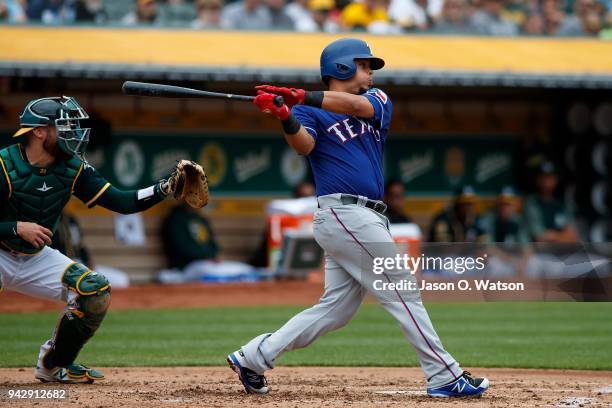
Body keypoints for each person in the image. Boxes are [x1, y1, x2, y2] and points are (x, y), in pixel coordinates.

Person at [227, 38, 489, 398]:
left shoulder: (377, 100)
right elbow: (304, 146)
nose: (370, 72)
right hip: (343, 212)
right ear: (341, 67)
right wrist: (286, 116)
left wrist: (298, 97)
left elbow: (353, 105)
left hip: (365, 218)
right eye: (364, 65)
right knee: (402, 288)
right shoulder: (310, 112)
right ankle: (444, 375)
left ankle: (254, 357)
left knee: (336, 310)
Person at [0, 96, 190, 383]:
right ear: (39, 131)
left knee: (94, 291)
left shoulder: (73, 168)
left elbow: (123, 201)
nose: (74, 133)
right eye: (64, 126)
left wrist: (165, 188)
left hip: (35, 256)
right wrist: (16, 228)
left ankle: (53, 364)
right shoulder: (4, 164)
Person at [523, 161, 578, 243]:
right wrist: (562, 236)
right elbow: (539, 237)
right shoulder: (531, 203)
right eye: (544, 178)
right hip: (540, 253)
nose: (547, 182)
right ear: (538, 180)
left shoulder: (561, 204)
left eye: (551, 177)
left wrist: (552, 235)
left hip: (562, 251)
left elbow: (573, 237)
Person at [161, 202, 220, 270]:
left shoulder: (200, 219)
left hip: (205, 263)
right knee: (211, 270)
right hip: (184, 266)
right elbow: (181, 248)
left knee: (232, 269)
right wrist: (205, 257)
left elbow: (213, 245)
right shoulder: (175, 220)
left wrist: (212, 256)